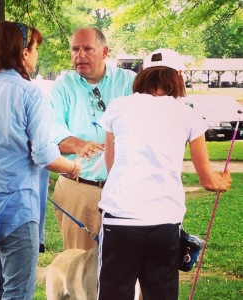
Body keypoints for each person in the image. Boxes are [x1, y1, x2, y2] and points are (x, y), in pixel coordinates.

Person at [97, 48, 232, 300]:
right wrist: (221, 182)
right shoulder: (188, 113)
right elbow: (208, 181)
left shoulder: (119, 107)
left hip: (120, 221)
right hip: (164, 224)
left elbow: (112, 167)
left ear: (144, 76)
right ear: (178, 76)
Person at [0, 21, 81, 299]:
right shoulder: (30, 93)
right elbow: (44, 154)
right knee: (18, 292)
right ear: (23, 53)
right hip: (16, 205)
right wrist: (73, 167)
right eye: (35, 48)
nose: (37, 54)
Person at [50, 27, 137, 250]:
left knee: (126, 261)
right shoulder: (62, 86)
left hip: (123, 189)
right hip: (78, 188)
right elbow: (51, 128)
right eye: (75, 49)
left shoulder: (129, 82)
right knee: (80, 265)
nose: (80, 55)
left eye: (87, 48)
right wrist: (76, 144)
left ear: (104, 51)